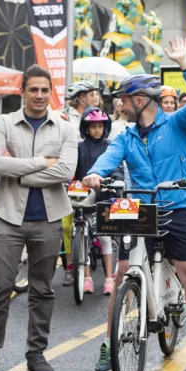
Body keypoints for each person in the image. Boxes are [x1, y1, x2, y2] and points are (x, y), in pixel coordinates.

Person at [82, 37, 186, 371]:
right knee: (124, 271)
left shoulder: (177, 124)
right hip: (141, 213)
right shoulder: (125, 136)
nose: (118, 105)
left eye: (122, 100)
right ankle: (109, 341)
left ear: (140, 100)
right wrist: (94, 175)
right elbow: (107, 158)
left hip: (177, 207)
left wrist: (185, 63)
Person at [0, 65, 78, 371]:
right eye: (33, 89)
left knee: (42, 289)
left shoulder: (65, 128)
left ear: (51, 92)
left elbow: (66, 172)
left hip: (48, 220)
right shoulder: (2, 123)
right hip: (7, 217)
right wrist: (38, 164)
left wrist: (20, 172)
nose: (39, 95)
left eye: (44, 90)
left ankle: (36, 353)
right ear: (22, 91)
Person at [73, 107, 117, 295]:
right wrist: (71, 183)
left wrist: (113, 183)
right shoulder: (79, 147)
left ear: (105, 127)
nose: (97, 130)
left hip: (105, 198)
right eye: (93, 127)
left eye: (100, 126)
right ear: (86, 128)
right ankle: (86, 278)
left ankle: (108, 279)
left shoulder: (110, 146)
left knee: (105, 238)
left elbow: (116, 169)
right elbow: (73, 171)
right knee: (82, 237)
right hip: (82, 198)